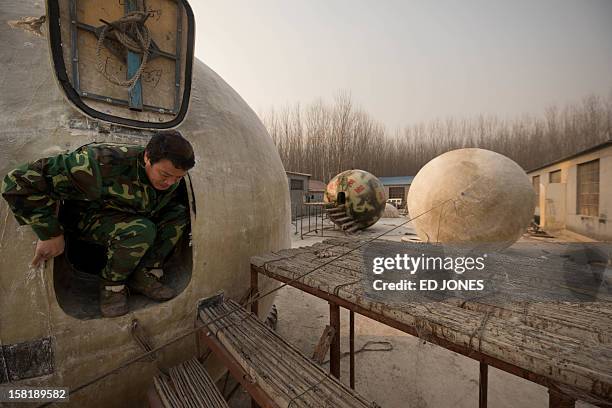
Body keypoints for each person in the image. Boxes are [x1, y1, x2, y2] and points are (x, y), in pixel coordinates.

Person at [1, 130, 195, 317]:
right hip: (88, 217)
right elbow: (18, 180)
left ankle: (142, 274)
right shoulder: (99, 163)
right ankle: (112, 286)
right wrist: (49, 233)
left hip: (130, 212)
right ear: (147, 157)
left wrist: (169, 181)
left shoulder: (169, 175)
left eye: (178, 178)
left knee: (177, 214)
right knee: (141, 230)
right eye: (165, 175)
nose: (170, 182)